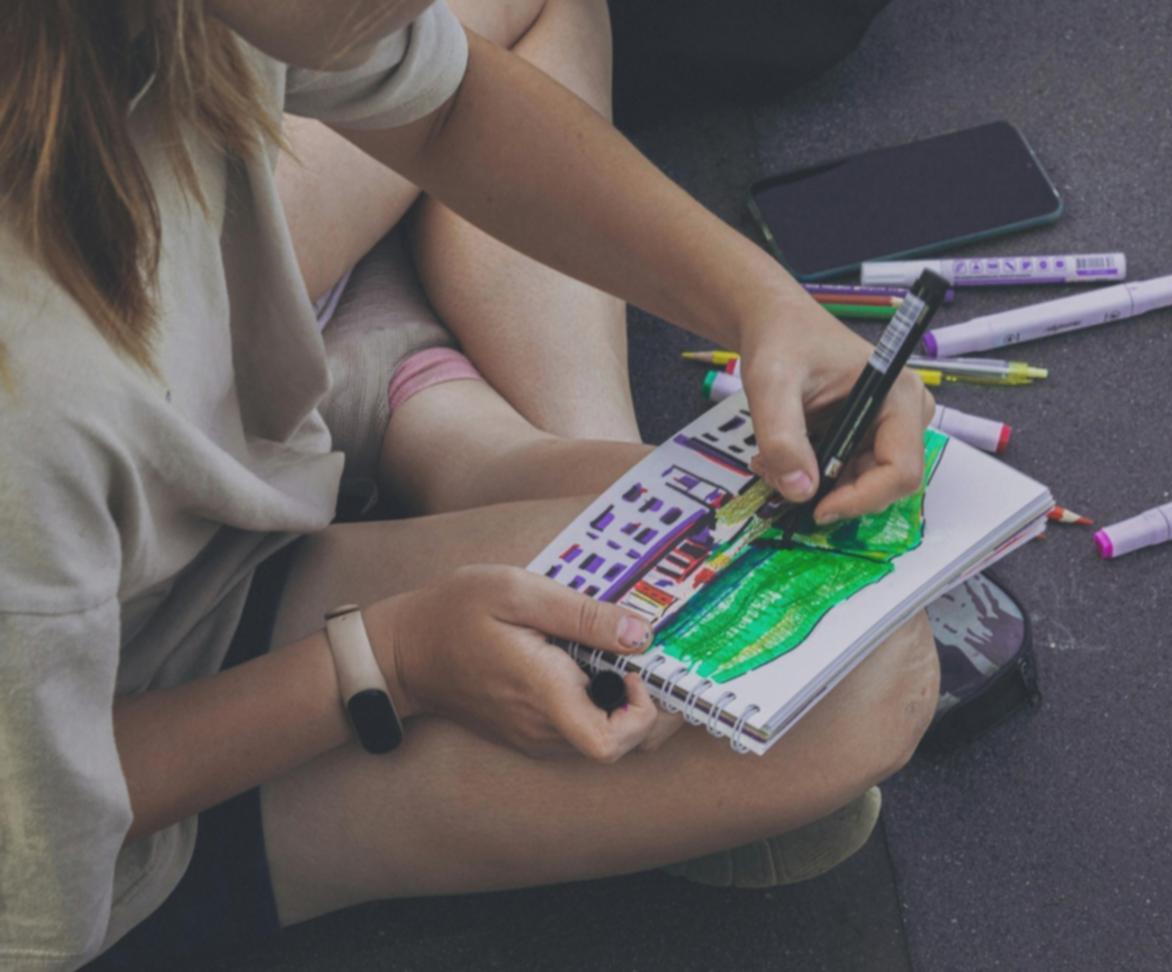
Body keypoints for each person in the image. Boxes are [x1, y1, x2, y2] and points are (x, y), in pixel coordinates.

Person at [0, 2, 939, 968]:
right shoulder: (32, 409)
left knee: (816, 640)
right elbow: (30, 846)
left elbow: (446, 109)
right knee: (868, 683)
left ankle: (427, 412)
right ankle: (425, 406)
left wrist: (764, 305)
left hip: (169, 555)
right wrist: (388, 663)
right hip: (128, 794)